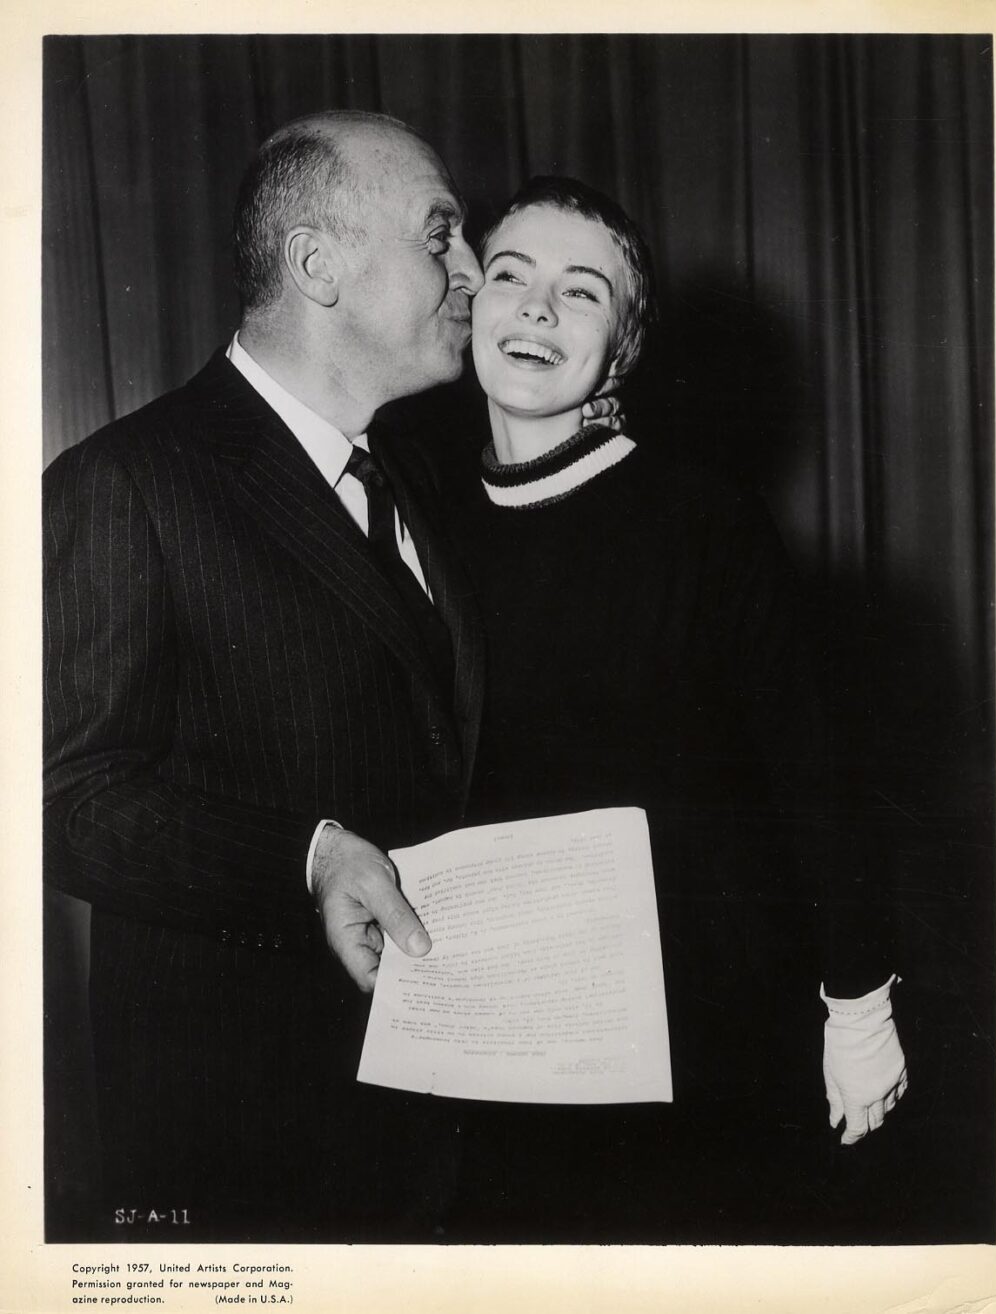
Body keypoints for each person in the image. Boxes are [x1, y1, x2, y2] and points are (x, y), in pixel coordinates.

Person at [43, 112, 626, 1242]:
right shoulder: (127, 485)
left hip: (448, 1132)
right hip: (259, 1148)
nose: (472, 272)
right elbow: (60, 798)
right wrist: (304, 861)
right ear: (317, 265)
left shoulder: (417, 476)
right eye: (441, 234)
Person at [435, 177, 908, 1241]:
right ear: (468, 304)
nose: (539, 311)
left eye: (582, 292)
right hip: (492, 1033)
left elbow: (813, 773)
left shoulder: (704, 523)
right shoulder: (417, 516)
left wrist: (857, 1004)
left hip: (695, 1035)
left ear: (624, 347)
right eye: (510, 277)